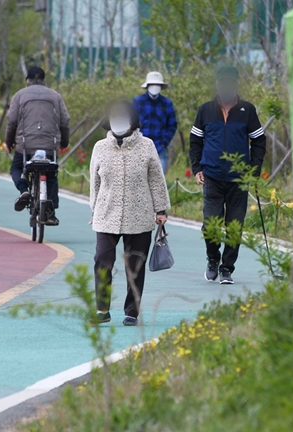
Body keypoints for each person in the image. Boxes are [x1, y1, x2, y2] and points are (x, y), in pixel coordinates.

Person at [89, 100, 170, 326]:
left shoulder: (147, 146)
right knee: (102, 259)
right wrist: (94, 210)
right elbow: (94, 181)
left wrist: (160, 209)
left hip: (140, 214)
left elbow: (156, 179)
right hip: (106, 213)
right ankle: (102, 309)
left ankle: (131, 312)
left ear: (133, 120)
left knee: (135, 264)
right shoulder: (100, 147)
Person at [189, 66, 266, 284]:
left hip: (239, 180)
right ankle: (213, 259)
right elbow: (195, 141)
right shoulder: (205, 110)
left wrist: (254, 170)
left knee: (235, 225)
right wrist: (197, 168)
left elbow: (259, 141)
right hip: (212, 176)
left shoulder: (247, 110)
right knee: (211, 224)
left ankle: (227, 268)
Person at [6, 66, 70, 225]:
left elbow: (12, 122)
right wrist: (64, 142)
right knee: (51, 172)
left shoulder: (19, 96)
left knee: (16, 168)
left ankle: (24, 190)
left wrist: (9, 142)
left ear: (27, 81)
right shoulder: (55, 96)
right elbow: (65, 121)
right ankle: (51, 210)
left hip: (25, 146)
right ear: (44, 80)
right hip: (49, 145)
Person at [132, 71, 178, 174]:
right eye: (153, 84)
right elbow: (131, 123)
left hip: (159, 147)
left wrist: (164, 142)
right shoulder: (138, 102)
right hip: (140, 147)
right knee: (138, 180)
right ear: (148, 86)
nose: (155, 86)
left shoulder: (167, 103)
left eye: (157, 84)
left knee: (159, 182)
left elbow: (172, 125)